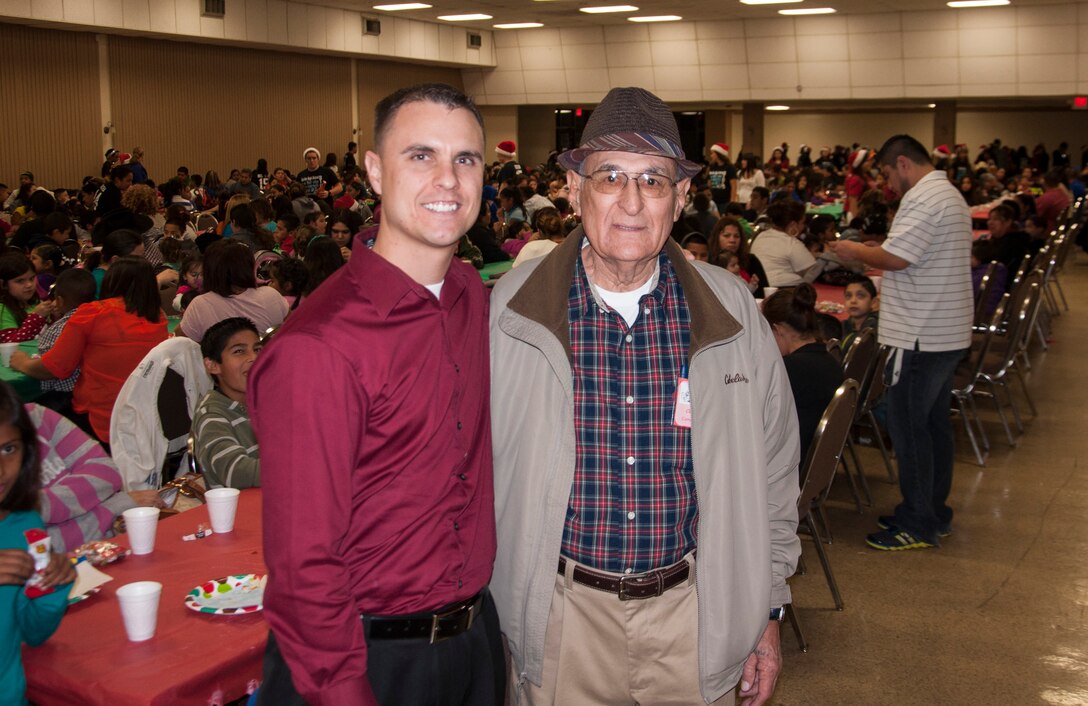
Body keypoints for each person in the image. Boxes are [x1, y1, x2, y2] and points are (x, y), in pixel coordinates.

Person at [490, 86, 800, 706]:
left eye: (654, 181)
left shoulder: (731, 309)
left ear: (681, 198)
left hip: (695, 615)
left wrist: (767, 606)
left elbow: (774, 467)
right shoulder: (510, 312)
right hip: (560, 619)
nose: (631, 202)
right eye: (610, 176)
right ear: (574, 190)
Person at [249, 83, 504, 706]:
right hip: (366, 660)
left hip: (474, 641)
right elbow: (303, 564)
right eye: (421, 155)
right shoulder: (320, 347)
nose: (448, 179)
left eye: (465, 159)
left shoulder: (471, 296)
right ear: (373, 172)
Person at [829, 134, 973, 551]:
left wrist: (855, 250)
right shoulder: (948, 195)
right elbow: (907, 252)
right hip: (943, 330)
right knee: (932, 426)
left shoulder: (924, 197)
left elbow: (898, 259)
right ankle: (932, 510)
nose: (889, 184)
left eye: (889, 174)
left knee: (909, 428)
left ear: (903, 164)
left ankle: (918, 522)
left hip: (921, 333)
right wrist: (879, 248)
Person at [11, 258, 169, 445]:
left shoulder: (93, 313)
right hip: (149, 415)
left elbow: (55, 368)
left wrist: (21, 362)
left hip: (103, 417)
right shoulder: (158, 316)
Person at [0, 380, 76, 706]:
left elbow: (34, 632)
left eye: (8, 449)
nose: (1, 470)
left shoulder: (23, 524)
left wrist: (53, 585)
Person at [763, 284, 844, 466]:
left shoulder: (789, 370)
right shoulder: (831, 362)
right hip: (816, 465)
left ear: (778, 329)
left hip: (786, 468)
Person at [192, 317, 262, 490]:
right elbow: (236, 472)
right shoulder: (212, 416)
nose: (253, 358)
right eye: (239, 351)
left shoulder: (268, 400)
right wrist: (303, 465)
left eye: (257, 349)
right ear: (213, 365)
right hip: (241, 510)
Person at [176, 239, 288, 343]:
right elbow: (293, 326)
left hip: (223, 363)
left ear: (209, 271)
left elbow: (181, 340)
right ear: (249, 267)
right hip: (271, 362)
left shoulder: (200, 305)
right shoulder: (272, 295)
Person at [34, 269, 97, 417]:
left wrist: (21, 362)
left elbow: (48, 369)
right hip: (89, 390)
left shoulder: (60, 328)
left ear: (60, 301)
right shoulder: (98, 318)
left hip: (62, 397)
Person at [750, 199, 825, 287]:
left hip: (758, 287)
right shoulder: (792, 243)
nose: (803, 226)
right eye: (802, 223)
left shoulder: (761, 236)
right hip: (785, 288)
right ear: (793, 225)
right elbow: (810, 269)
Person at [708, 216, 767, 297]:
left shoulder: (751, 260)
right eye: (727, 235)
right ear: (717, 238)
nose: (732, 240)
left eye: (736, 236)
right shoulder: (710, 261)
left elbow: (762, 292)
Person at [0, 252, 51, 343]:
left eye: (32, 278)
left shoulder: (35, 302)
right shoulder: (2, 309)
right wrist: (36, 317)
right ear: (3, 284)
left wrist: (55, 316)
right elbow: (11, 343)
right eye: (20, 281)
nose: (29, 285)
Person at [841, 275, 880, 348]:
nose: (853, 301)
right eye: (848, 296)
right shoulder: (846, 324)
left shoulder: (872, 329)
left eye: (860, 296)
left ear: (873, 302)